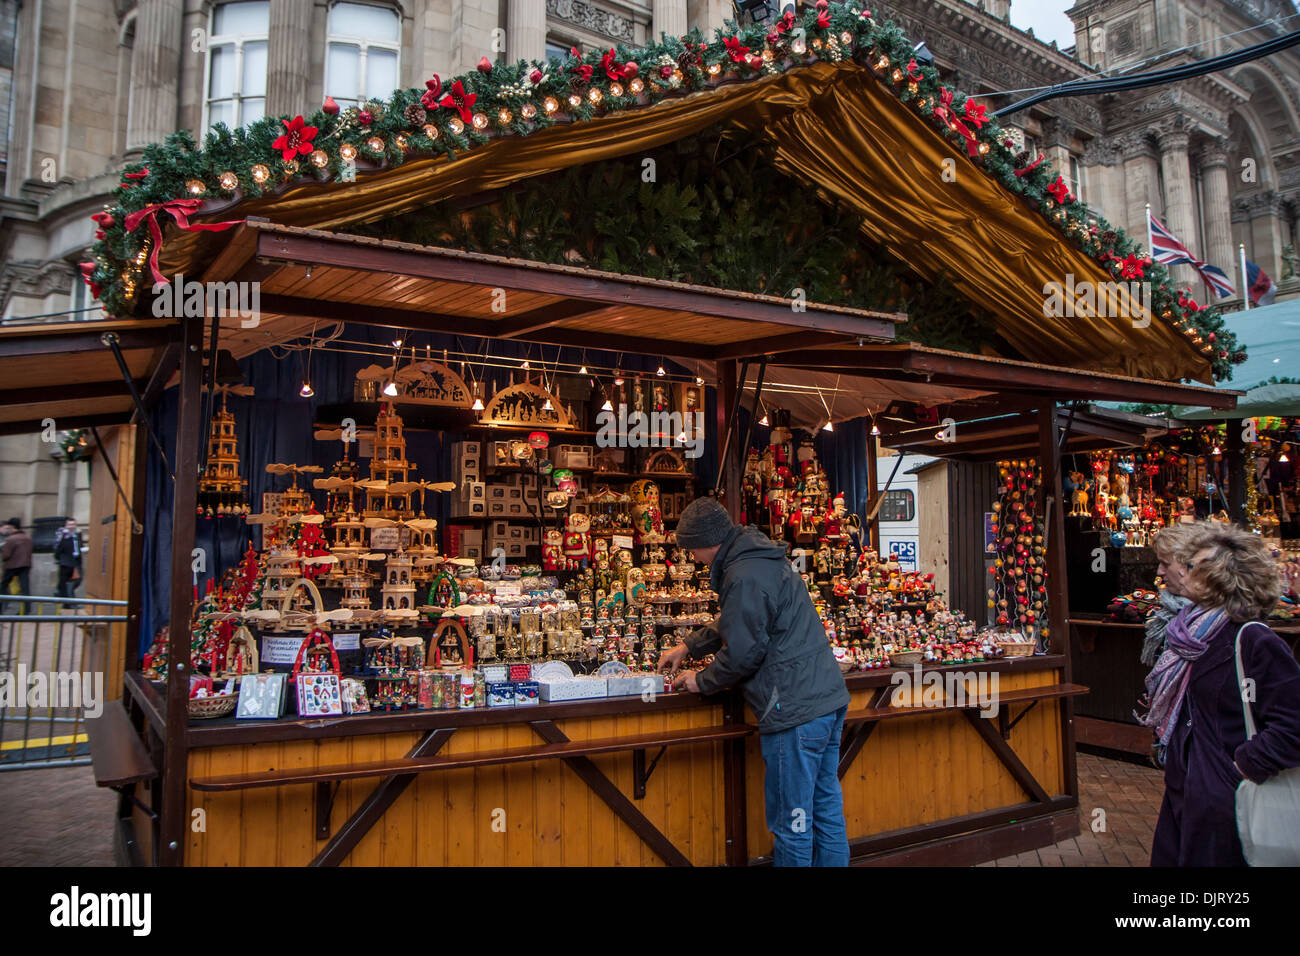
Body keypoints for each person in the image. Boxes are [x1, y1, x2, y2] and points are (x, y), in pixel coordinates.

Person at [659, 497, 851, 866]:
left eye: (691, 550)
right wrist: (690, 643)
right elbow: (745, 620)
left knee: (792, 823)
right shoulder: (759, 559)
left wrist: (703, 680)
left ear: (704, 542)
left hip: (794, 709)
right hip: (824, 700)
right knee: (825, 810)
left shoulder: (743, 574)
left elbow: (745, 650)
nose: (693, 559)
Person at [1142, 521, 1300, 866]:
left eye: (1192, 565)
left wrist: (1242, 766)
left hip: (1228, 800)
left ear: (1221, 576)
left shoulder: (1254, 640)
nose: (1182, 571)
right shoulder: (1191, 634)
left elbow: (1294, 724)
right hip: (1186, 791)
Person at [1142, 523, 1213, 667]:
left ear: (1192, 564)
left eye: (1166, 564)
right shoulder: (1167, 614)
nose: (1159, 572)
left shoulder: (1218, 620)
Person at [0, 517, 33, 614]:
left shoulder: (11, 539)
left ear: (12, 526)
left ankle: (0, 609)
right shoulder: (27, 537)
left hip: (12, 565)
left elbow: (6, 555)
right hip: (26, 565)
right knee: (25, 588)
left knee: (3, 586)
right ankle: (26, 610)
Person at [54, 517, 83, 605]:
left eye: (73, 524)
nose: (71, 526)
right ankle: (68, 603)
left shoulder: (77, 535)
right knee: (65, 584)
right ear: (66, 525)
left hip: (75, 563)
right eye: (69, 524)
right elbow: (58, 549)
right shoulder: (62, 536)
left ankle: (66, 599)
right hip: (65, 563)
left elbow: (79, 547)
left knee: (76, 581)